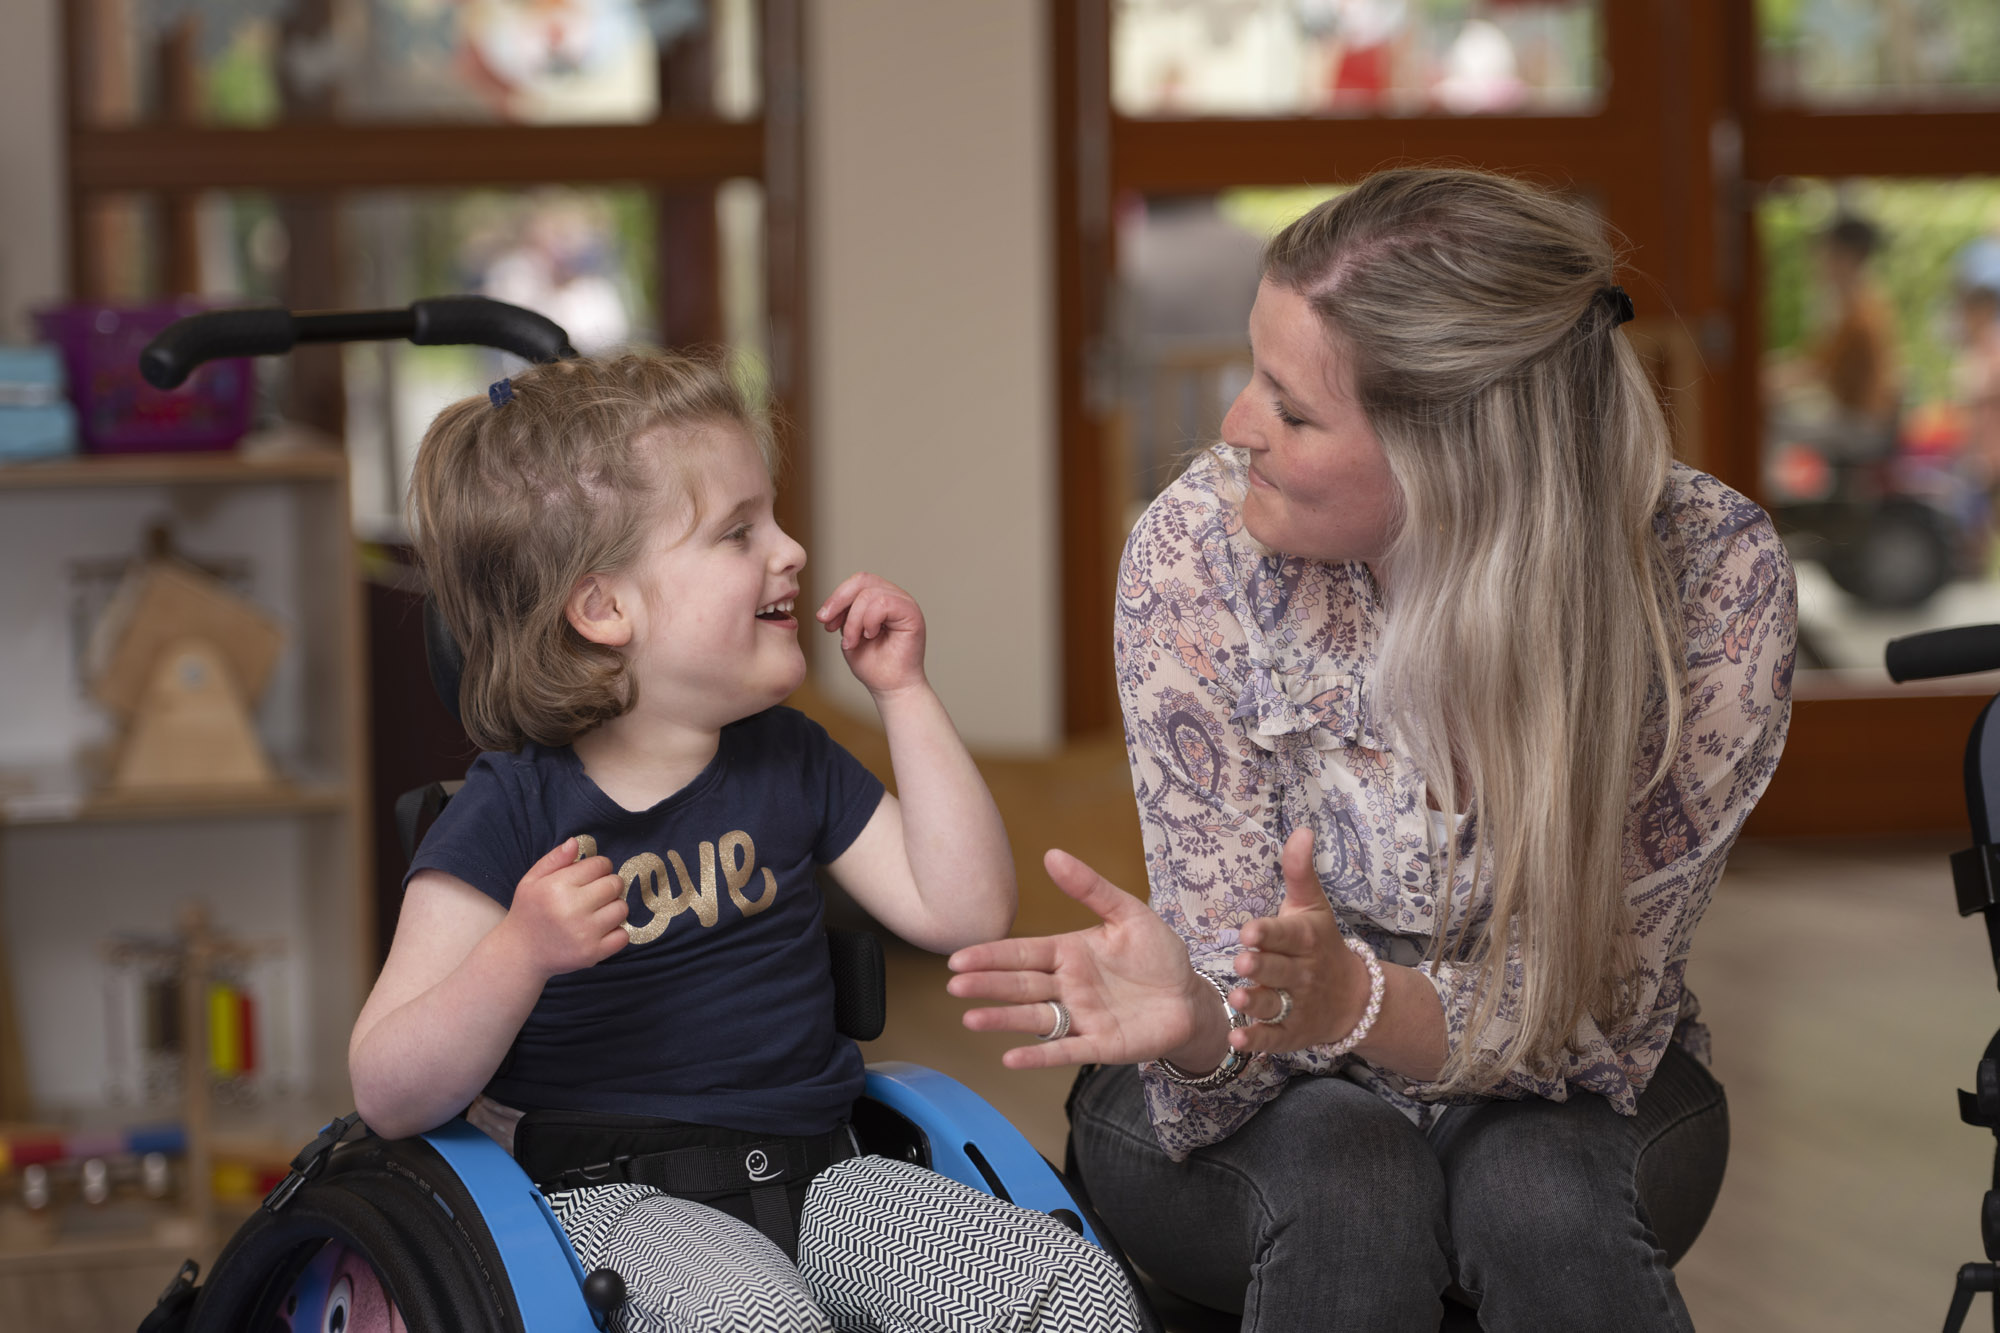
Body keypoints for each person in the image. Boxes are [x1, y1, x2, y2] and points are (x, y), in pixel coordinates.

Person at [948, 167, 1797, 1331]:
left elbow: (1591, 1011)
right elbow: (1230, 1010)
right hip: (1229, 1079)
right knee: (1349, 1179)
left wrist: (1356, 1001)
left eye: (1292, 411)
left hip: (1568, 1075)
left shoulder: (1712, 579)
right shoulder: (1195, 551)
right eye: (1254, 374)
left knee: (1542, 1191)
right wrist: (1198, 1013)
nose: (1234, 427)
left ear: (1458, 457)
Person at [349, 353, 1141, 1332]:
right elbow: (385, 1088)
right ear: (604, 608)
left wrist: (902, 694)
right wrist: (517, 953)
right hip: (611, 1199)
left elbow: (966, 910)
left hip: (827, 1176)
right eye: (739, 532)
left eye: (773, 517)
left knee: (1071, 1292)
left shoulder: (789, 758)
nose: (792, 549)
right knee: (755, 1317)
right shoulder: (509, 811)